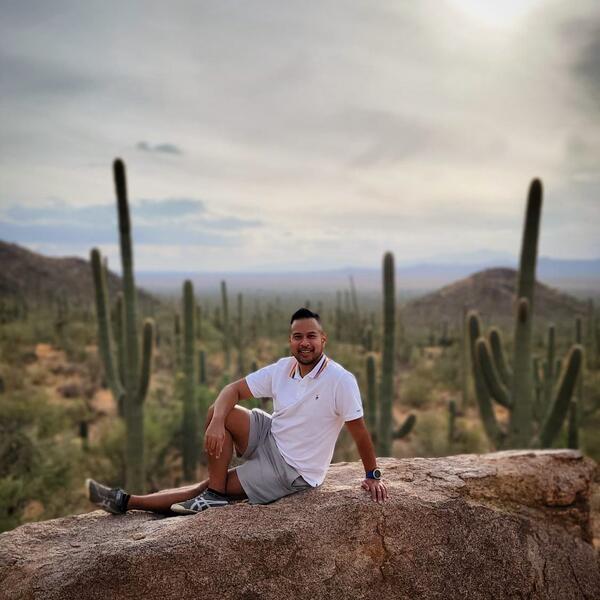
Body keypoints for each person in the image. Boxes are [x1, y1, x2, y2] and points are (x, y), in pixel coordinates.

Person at [86, 308, 388, 515]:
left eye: (311, 336)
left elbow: (359, 432)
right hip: (271, 435)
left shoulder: (340, 380)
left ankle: (126, 501)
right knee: (220, 410)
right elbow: (232, 390)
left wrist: (372, 474)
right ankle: (215, 495)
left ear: (323, 339)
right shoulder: (284, 368)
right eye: (298, 337)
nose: (305, 343)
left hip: (293, 470)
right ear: (291, 341)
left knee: (205, 486)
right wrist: (217, 422)